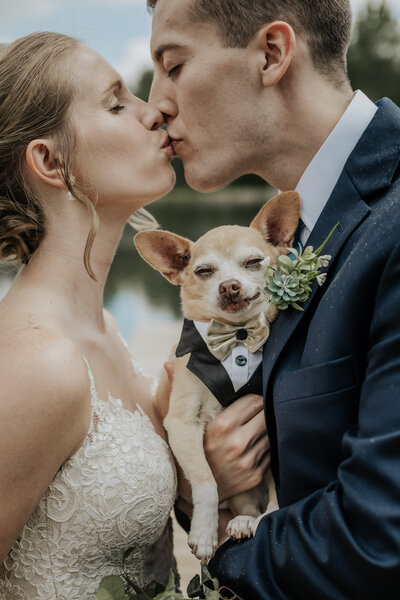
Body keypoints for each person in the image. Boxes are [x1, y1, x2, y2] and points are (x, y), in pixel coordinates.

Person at [0, 32, 269, 599]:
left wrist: (204, 485)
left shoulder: (110, 332)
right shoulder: (37, 363)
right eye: (117, 103)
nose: (157, 111)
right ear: (50, 161)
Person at [147, 0, 400, 598]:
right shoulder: (302, 227)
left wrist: (226, 565)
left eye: (174, 64)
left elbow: (379, 536)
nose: (155, 103)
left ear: (271, 54)